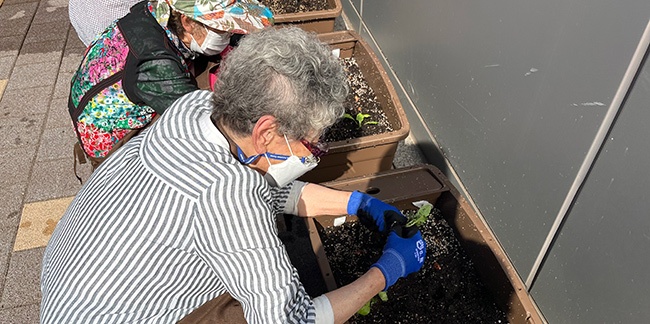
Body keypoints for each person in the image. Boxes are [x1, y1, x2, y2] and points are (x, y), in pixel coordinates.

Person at [41, 27, 426, 323]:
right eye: (309, 143)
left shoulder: (195, 109)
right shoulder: (226, 196)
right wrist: (386, 270)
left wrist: (358, 203)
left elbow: (265, 189)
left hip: (79, 285)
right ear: (266, 131)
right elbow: (290, 319)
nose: (312, 152)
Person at [69, 0, 273, 169]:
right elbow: (202, 126)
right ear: (187, 22)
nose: (228, 35)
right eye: (222, 29)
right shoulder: (156, 64)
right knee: (216, 147)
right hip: (115, 150)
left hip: (108, 101)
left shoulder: (154, 13)